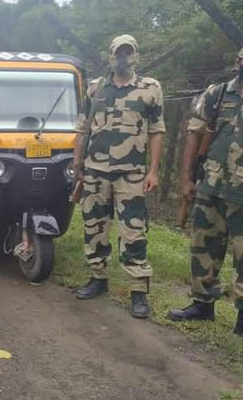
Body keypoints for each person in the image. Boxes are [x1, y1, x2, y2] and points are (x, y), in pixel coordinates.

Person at [72, 34, 165, 319]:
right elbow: (82, 129)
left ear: (137, 56)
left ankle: (138, 291)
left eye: (129, 53)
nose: (124, 58)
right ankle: (98, 279)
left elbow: (157, 130)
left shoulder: (150, 89)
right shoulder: (95, 89)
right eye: (118, 53)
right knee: (94, 227)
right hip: (95, 172)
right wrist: (78, 166)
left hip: (132, 174)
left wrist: (153, 170)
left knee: (134, 232)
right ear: (110, 57)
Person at [168, 47, 243, 337]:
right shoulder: (218, 94)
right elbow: (194, 135)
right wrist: (185, 179)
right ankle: (202, 304)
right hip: (210, 186)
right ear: (237, 62)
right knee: (203, 247)